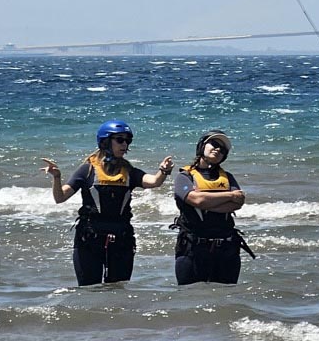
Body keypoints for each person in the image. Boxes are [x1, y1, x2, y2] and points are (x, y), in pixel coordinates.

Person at [41, 120, 173, 286]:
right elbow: (60, 198)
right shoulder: (87, 170)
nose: (125, 144)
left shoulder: (129, 171)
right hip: (89, 240)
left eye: (127, 140)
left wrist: (163, 171)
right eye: (120, 140)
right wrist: (57, 177)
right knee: (89, 290)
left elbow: (153, 182)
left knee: (118, 291)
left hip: (121, 240)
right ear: (105, 142)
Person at [172, 130, 251, 285]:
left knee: (225, 300)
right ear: (202, 146)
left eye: (223, 149)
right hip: (192, 249)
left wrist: (208, 203)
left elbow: (238, 202)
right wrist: (228, 196)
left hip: (226, 250)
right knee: (189, 298)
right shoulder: (184, 176)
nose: (218, 149)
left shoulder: (228, 177)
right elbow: (197, 199)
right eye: (214, 144)